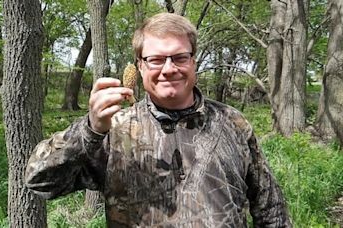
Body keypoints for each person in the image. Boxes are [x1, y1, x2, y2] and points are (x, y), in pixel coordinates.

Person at [25, 12, 292, 227]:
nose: (168, 69)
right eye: (155, 60)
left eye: (179, 57)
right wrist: (90, 129)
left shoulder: (232, 123)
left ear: (193, 62)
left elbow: (271, 209)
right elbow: (40, 181)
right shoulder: (115, 130)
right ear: (140, 66)